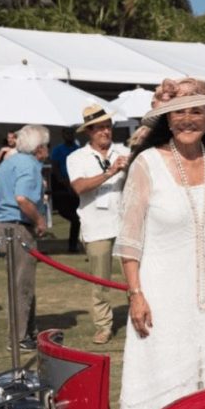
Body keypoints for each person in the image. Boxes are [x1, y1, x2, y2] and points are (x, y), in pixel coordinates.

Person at [114, 78, 205, 409]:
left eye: (196, 111)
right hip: (159, 300)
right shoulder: (147, 164)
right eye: (179, 112)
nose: (188, 119)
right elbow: (129, 239)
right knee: (162, 385)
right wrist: (135, 294)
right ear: (167, 120)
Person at [66, 105, 130, 344]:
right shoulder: (76, 158)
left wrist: (132, 164)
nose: (105, 131)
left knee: (133, 277)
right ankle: (104, 326)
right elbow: (79, 187)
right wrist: (111, 173)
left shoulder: (124, 151)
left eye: (108, 126)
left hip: (125, 223)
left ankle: (137, 319)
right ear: (89, 132)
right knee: (100, 281)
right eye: (100, 128)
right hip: (96, 225)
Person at [0, 124, 50, 351]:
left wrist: (1, 208)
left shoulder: (10, 161)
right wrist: (39, 220)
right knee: (22, 284)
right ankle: (19, 338)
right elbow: (22, 198)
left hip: (3, 224)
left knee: (20, 282)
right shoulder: (30, 165)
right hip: (18, 227)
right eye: (46, 145)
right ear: (39, 148)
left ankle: (27, 333)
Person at [50, 127, 81, 252]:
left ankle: (73, 245)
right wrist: (63, 181)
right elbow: (55, 167)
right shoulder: (58, 150)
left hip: (75, 183)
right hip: (62, 185)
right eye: (67, 133)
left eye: (71, 133)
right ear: (63, 135)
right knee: (69, 214)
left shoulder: (78, 150)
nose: (69, 136)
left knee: (77, 219)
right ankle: (72, 245)